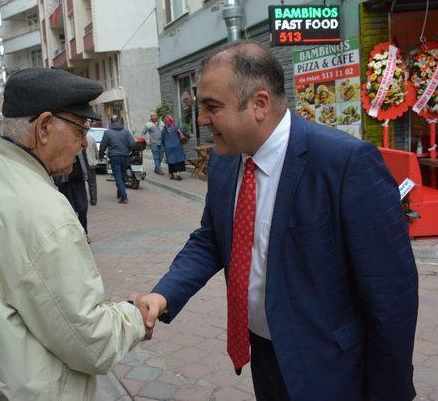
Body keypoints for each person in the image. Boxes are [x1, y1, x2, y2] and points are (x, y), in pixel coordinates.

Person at [132, 41, 418, 401]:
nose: (201, 119)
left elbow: (391, 296)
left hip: (332, 367)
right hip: (265, 357)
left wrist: (390, 393)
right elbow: (211, 240)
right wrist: (162, 296)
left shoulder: (344, 164)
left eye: (211, 107)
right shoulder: (225, 162)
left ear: (260, 105)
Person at [0, 68, 145, 400]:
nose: (84, 142)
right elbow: (90, 341)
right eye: (80, 128)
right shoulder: (45, 211)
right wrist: (135, 317)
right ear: (43, 127)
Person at [99, 115, 137, 204]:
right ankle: (120, 193)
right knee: (123, 176)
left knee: (118, 177)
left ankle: (124, 196)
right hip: (125, 156)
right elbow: (133, 144)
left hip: (114, 156)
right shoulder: (126, 131)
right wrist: (128, 150)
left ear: (111, 121)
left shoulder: (108, 132)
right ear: (119, 121)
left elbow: (103, 145)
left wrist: (101, 155)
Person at [54, 151, 90, 242]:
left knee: (83, 208)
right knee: (70, 209)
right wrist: (57, 180)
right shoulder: (62, 145)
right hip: (64, 182)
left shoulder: (80, 146)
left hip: (79, 180)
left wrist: (88, 176)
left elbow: (85, 161)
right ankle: (73, 234)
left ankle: (84, 232)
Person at [161, 115, 186, 180]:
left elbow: (162, 139)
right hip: (177, 145)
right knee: (178, 159)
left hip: (168, 146)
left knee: (170, 160)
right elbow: (181, 135)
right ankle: (178, 173)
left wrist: (165, 145)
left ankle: (172, 174)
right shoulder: (176, 127)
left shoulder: (164, 129)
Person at [85, 131, 99, 205]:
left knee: (80, 183)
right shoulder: (90, 137)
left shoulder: (76, 136)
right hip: (90, 163)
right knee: (92, 183)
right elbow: (96, 149)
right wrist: (97, 157)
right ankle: (93, 199)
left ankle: (82, 201)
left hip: (80, 164)